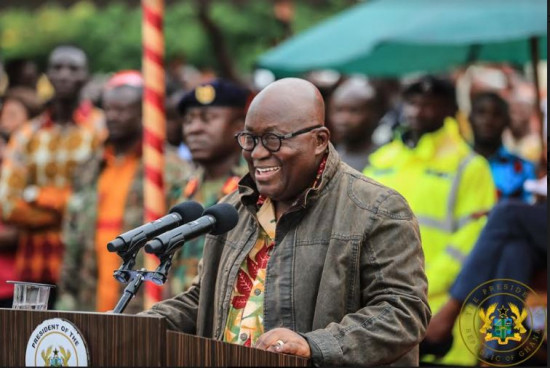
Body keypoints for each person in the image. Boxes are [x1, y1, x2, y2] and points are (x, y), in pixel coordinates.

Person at [141, 78, 430, 366]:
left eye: (273, 139)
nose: (257, 153)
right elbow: (204, 300)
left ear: (319, 140)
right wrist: (135, 328)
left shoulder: (376, 209)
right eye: (250, 138)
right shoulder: (232, 208)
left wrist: (313, 346)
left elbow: (402, 312)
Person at [363, 75, 496, 366]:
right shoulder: (382, 161)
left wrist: (420, 286)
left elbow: (474, 239)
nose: (418, 111)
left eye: (430, 104)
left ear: (450, 110)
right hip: (383, 307)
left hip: (442, 308)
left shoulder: (469, 166)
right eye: (412, 102)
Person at [56, 71, 190, 313]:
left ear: (142, 114)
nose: (113, 116)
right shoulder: (91, 166)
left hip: (142, 298)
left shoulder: (166, 167)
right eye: (108, 109)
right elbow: (72, 234)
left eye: (122, 109)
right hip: (90, 294)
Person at [0, 45, 105, 308]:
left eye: (73, 68)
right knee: (31, 342)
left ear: (86, 76)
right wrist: (69, 208)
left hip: (88, 264)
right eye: (58, 68)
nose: (65, 75)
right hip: (36, 263)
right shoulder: (27, 134)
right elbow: (7, 204)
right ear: (48, 75)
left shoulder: (102, 129)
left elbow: (101, 199)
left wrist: (39, 196)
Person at [168, 79, 250, 296]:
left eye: (208, 119)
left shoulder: (253, 188)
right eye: (188, 120)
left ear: (238, 126)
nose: (194, 129)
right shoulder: (181, 189)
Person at [469, 92, 536, 202]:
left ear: (507, 121)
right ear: (470, 118)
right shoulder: (454, 162)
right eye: (481, 113)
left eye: (496, 114)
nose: (488, 121)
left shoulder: (522, 168)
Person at [328, 77, 384, 171]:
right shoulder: (327, 162)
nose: (343, 120)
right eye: (338, 110)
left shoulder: (387, 158)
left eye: (353, 111)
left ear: (373, 113)